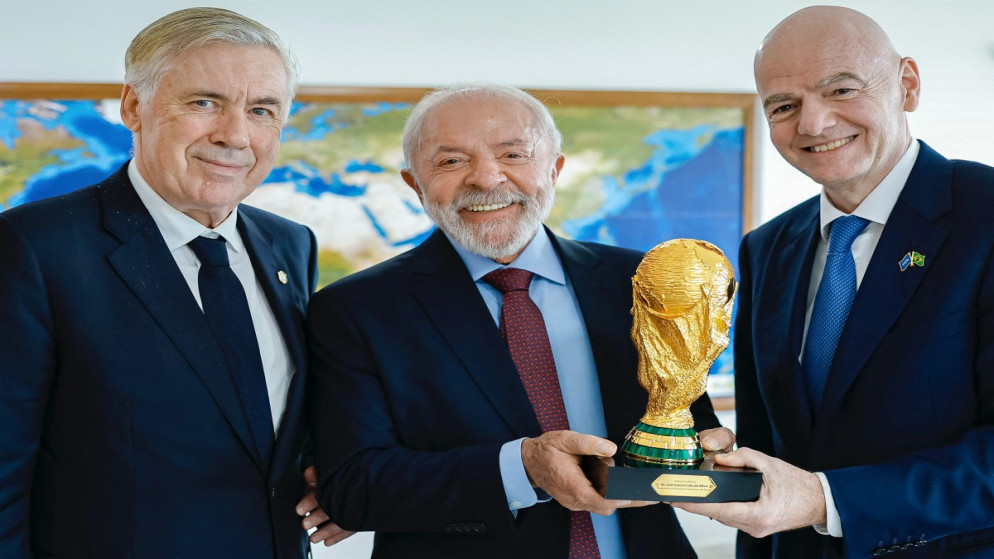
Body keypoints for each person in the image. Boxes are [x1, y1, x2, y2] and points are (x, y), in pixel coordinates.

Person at [307, 82, 734, 558]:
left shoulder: (635, 281)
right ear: (415, 184)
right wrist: (522, 468)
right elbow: (353, 487)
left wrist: (709, 445)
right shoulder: (355, 309)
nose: (487, 179)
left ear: (554, 170)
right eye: (451, 161)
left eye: (513, 154)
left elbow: (685, 415)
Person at [0, 7, 347, 558]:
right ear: (133, 107)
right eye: (204, 102)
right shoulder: (34, 247)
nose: (235, 135)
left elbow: (259, 422)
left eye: (261, 110)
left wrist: (332, 475)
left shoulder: (289, 244)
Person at [672, 6, 994, 558]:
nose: (813, 124)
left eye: (841, 90)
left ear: (907, 85)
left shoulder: (984, 215)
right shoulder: (767, 246)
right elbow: (765, 449)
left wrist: (826, 500)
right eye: (784, 106)